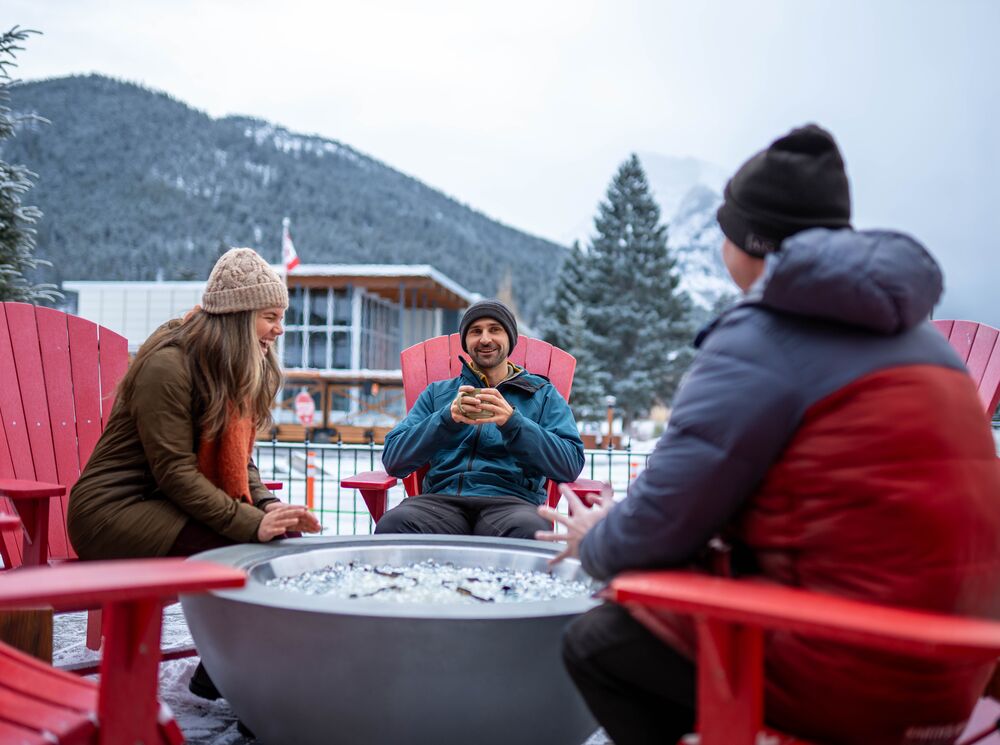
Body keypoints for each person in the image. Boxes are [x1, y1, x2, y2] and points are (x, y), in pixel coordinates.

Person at [536, 125, 1000, 745]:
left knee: (601, 645)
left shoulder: (761, 338)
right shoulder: (927, 345)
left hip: (865, 677)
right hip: (964, 669)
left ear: (745, 242)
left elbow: (658, 528)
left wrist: (599, 537)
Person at [68, 246, 321, 703]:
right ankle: (249, 687)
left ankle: (221, 676)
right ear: (238, 316)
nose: (279, 329)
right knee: (246, 553)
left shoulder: (228, 366)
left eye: (281, 315)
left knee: (282, 548)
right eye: (270, 316)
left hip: (167, 505)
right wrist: (250, 523)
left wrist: (267, 506)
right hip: (115, 512)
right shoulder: (169, 363)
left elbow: (241, 462)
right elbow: (175, 474)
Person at [374, 299, 585, 539]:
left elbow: (570, 464)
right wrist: (446, 419)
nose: (485, 339)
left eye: (495, 329)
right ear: (466, 342)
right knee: (394, 524)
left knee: (530, 531)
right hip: (441, 502)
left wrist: (513, 423)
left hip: (513, 503)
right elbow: (394, 460)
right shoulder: (438, 394)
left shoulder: (542, 394)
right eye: (476, 331)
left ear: (510, 339)